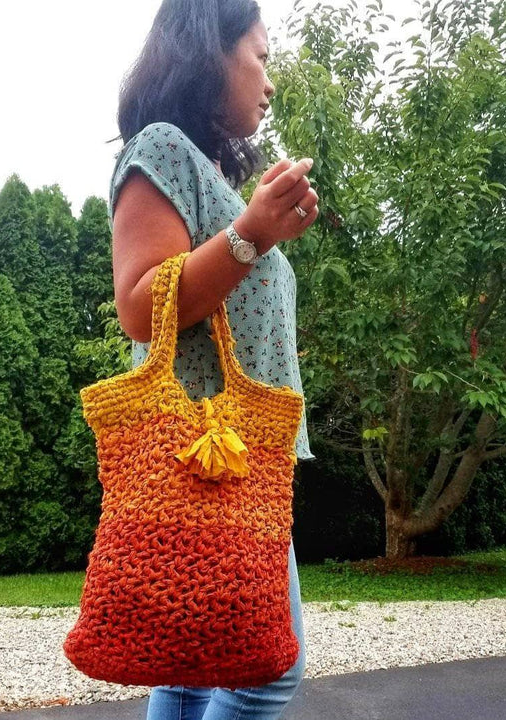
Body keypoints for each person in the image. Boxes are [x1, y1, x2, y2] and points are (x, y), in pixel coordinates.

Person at [108, 0, 318, 718]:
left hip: (242, 453)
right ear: (209, 52)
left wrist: (255, 228)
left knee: (191, 669)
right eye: (260, 57)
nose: (269, 81)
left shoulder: (213, 176)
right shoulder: (161, 147)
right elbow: (140, 304)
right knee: (266, 671)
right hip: (207, 456)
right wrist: (253, 234)